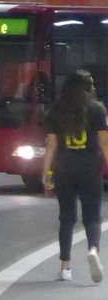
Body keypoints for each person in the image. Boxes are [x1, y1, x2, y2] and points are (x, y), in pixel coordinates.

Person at [41, 69, 108, 283]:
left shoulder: (55, 111)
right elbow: (103, 144)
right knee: (92, 216)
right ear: (89, 87)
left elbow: (51, 145)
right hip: (90, 169)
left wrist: (46, 173)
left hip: (64, 170)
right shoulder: (97, 110)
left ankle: (65, 268)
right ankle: (93, 250)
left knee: (67, 218)